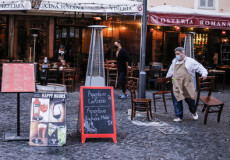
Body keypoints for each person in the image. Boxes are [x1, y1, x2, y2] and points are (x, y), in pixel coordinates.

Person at [166, 47, 208, 122]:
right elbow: (171, 70)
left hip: (187, 84)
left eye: (178, 54)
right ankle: (178, 116)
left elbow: (200, 67)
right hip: (176, 84)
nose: (177, 55)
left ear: (183, 53)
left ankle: (193, 112)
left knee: (190, 99)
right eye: (176, 54)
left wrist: (204, 74)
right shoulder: (174, 61)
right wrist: (167, 78)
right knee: (177, 100)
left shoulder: (190, 61)